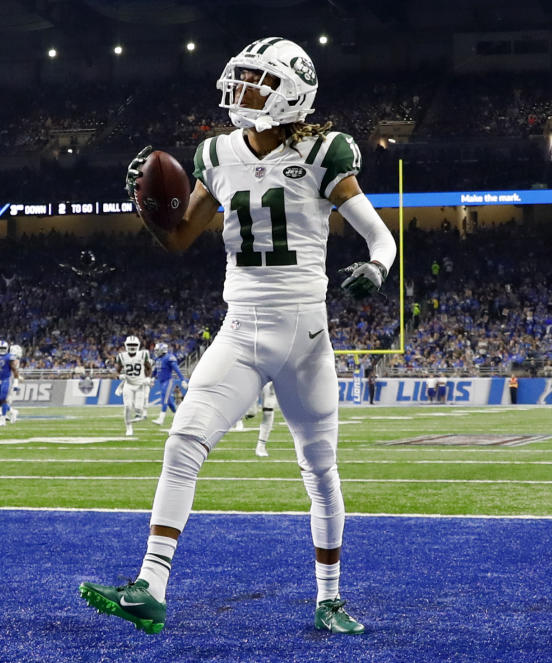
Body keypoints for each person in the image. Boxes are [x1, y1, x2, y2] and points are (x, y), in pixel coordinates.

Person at [80, 37, 396, 635]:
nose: (240, 92)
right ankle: (151, 585)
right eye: (242, 79)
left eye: (257, 82)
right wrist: (149, 209)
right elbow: (178, 239)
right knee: (182, 443)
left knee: (320, 470)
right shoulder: (217, 154)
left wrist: (375, 269)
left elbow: (382, 238)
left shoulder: (327, 152)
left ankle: (328, 597)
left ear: (290, 92)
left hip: (305, 334)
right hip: (241, 328)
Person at [115, 335, 152, 436]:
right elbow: (116, 371)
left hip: (140, 385)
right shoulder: (122, 356)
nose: (132, 346)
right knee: (127, 406)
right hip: (129, 384)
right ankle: (129, 428)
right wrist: (119, 376)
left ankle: (141, 413)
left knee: (138, 408)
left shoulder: (143, 354)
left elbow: (149, 367)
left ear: (138, 345)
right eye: (130, 344)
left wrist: (148, 377)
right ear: (126, 345)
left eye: (134, 344)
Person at [152, 342, 188, 426]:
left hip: (168, 381)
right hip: (161, 382)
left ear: (163, 350)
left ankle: (161, 419)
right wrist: (152, 378)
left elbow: (177, 369)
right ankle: (178, 417)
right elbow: (155, 371)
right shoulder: (158, 359)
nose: (156, 352)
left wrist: (182, 379)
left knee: (164, 398)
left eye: (158, 350)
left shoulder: (169, 358)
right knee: (168, 402)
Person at [0, 340, 19, 427]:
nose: (2, 350)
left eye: (4, 348)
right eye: (1, 348)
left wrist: (16, 381)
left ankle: (3, 419)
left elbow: (14, 369)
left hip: (7, 379)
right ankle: (12, 411)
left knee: (3, 398)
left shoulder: (9, 357)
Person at [253, 381, 278, 457]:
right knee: (251, 412)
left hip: (271, 377)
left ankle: (261, 446)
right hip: (255, 375)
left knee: (268, 411)